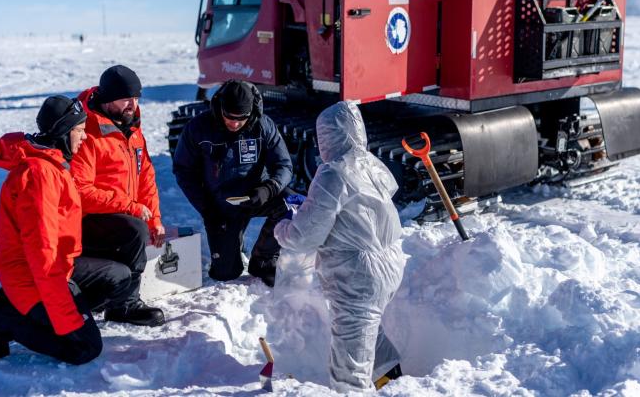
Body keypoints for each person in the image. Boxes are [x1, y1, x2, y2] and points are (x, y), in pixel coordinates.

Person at [0, 95, 135, 364]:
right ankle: (4, 317)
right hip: (32, 276)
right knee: (85, 348)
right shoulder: (39, 176)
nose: (85, 138)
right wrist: (67, 316)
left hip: (60, 267)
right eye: (79, 131)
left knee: (120, 279)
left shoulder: (54, 162)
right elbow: (43, 256)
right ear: (63, 132)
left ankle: (41, 311)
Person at [273, 101, 404, 392]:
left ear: (327, 137)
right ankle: (391, 381)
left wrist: (283, 229)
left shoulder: (333, 173)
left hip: (359, 273)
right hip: (390, 261)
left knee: (350, 362)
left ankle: (352, 390)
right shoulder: (374, 163)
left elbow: (305, 236)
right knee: (367, 329)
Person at [70, 65, 165, 326]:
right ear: (108, 98)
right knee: (134, 229)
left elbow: (145, 176)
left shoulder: (132, 129)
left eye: (136, 99)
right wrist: (131, 207)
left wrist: (154, 219)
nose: (132, 105)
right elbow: (79, 191)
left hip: (116, 216)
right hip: (85, 221)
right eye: (126, 99)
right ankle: (124, 304)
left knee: (136, 227)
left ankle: (111, 293)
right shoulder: (87, 133)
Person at [172, 79, 292, 287]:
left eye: (241, 118)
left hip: (256, 195)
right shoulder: (198, 128)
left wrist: (268, 189)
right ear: (220, 108)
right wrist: (207, 208)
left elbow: (284, 165)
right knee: (226, 273)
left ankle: (263, 259)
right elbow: (184, 170)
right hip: (221, 206)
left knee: (292, 202)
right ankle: (232, 249)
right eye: (229, 117)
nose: (235, 124)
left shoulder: (263, 125)